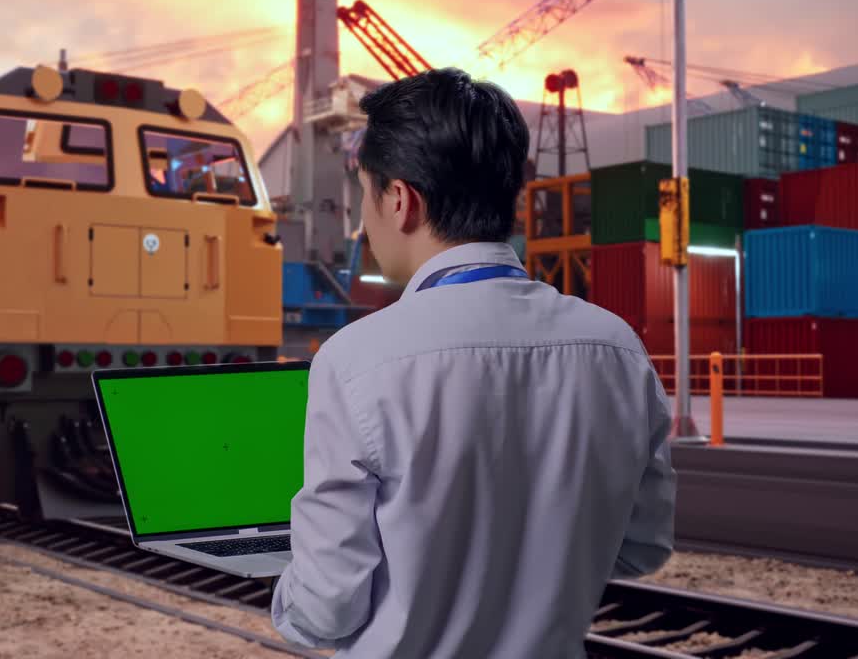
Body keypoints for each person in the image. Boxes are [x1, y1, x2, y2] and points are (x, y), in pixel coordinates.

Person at [270, 67, 676, 658]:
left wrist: (289, 579)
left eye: (365, 196)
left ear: (400, 200)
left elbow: (326, 610)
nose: (364, 221)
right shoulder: (615, 347)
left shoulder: (355, 361)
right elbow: (643, 547)